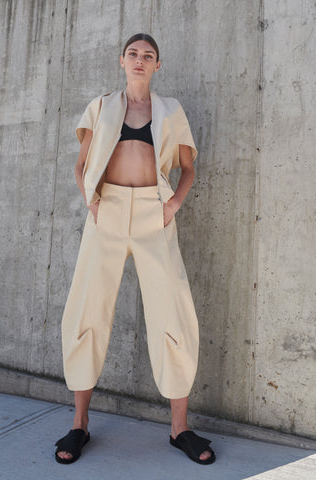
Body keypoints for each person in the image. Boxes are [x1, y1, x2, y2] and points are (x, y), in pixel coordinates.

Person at [54, 33, 216, 466]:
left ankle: (179, 428)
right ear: (121, 61)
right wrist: (89, 198)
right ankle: (79, 424)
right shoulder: (102, 106)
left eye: (148, 55)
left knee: (173, 313)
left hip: (153, 212)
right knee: (87, 310)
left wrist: (174, 204)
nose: (140, 60)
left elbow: (187, 166)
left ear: (157, 65)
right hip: (105, 212)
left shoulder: (170, 111)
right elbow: (81, 163)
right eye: (133, 54)